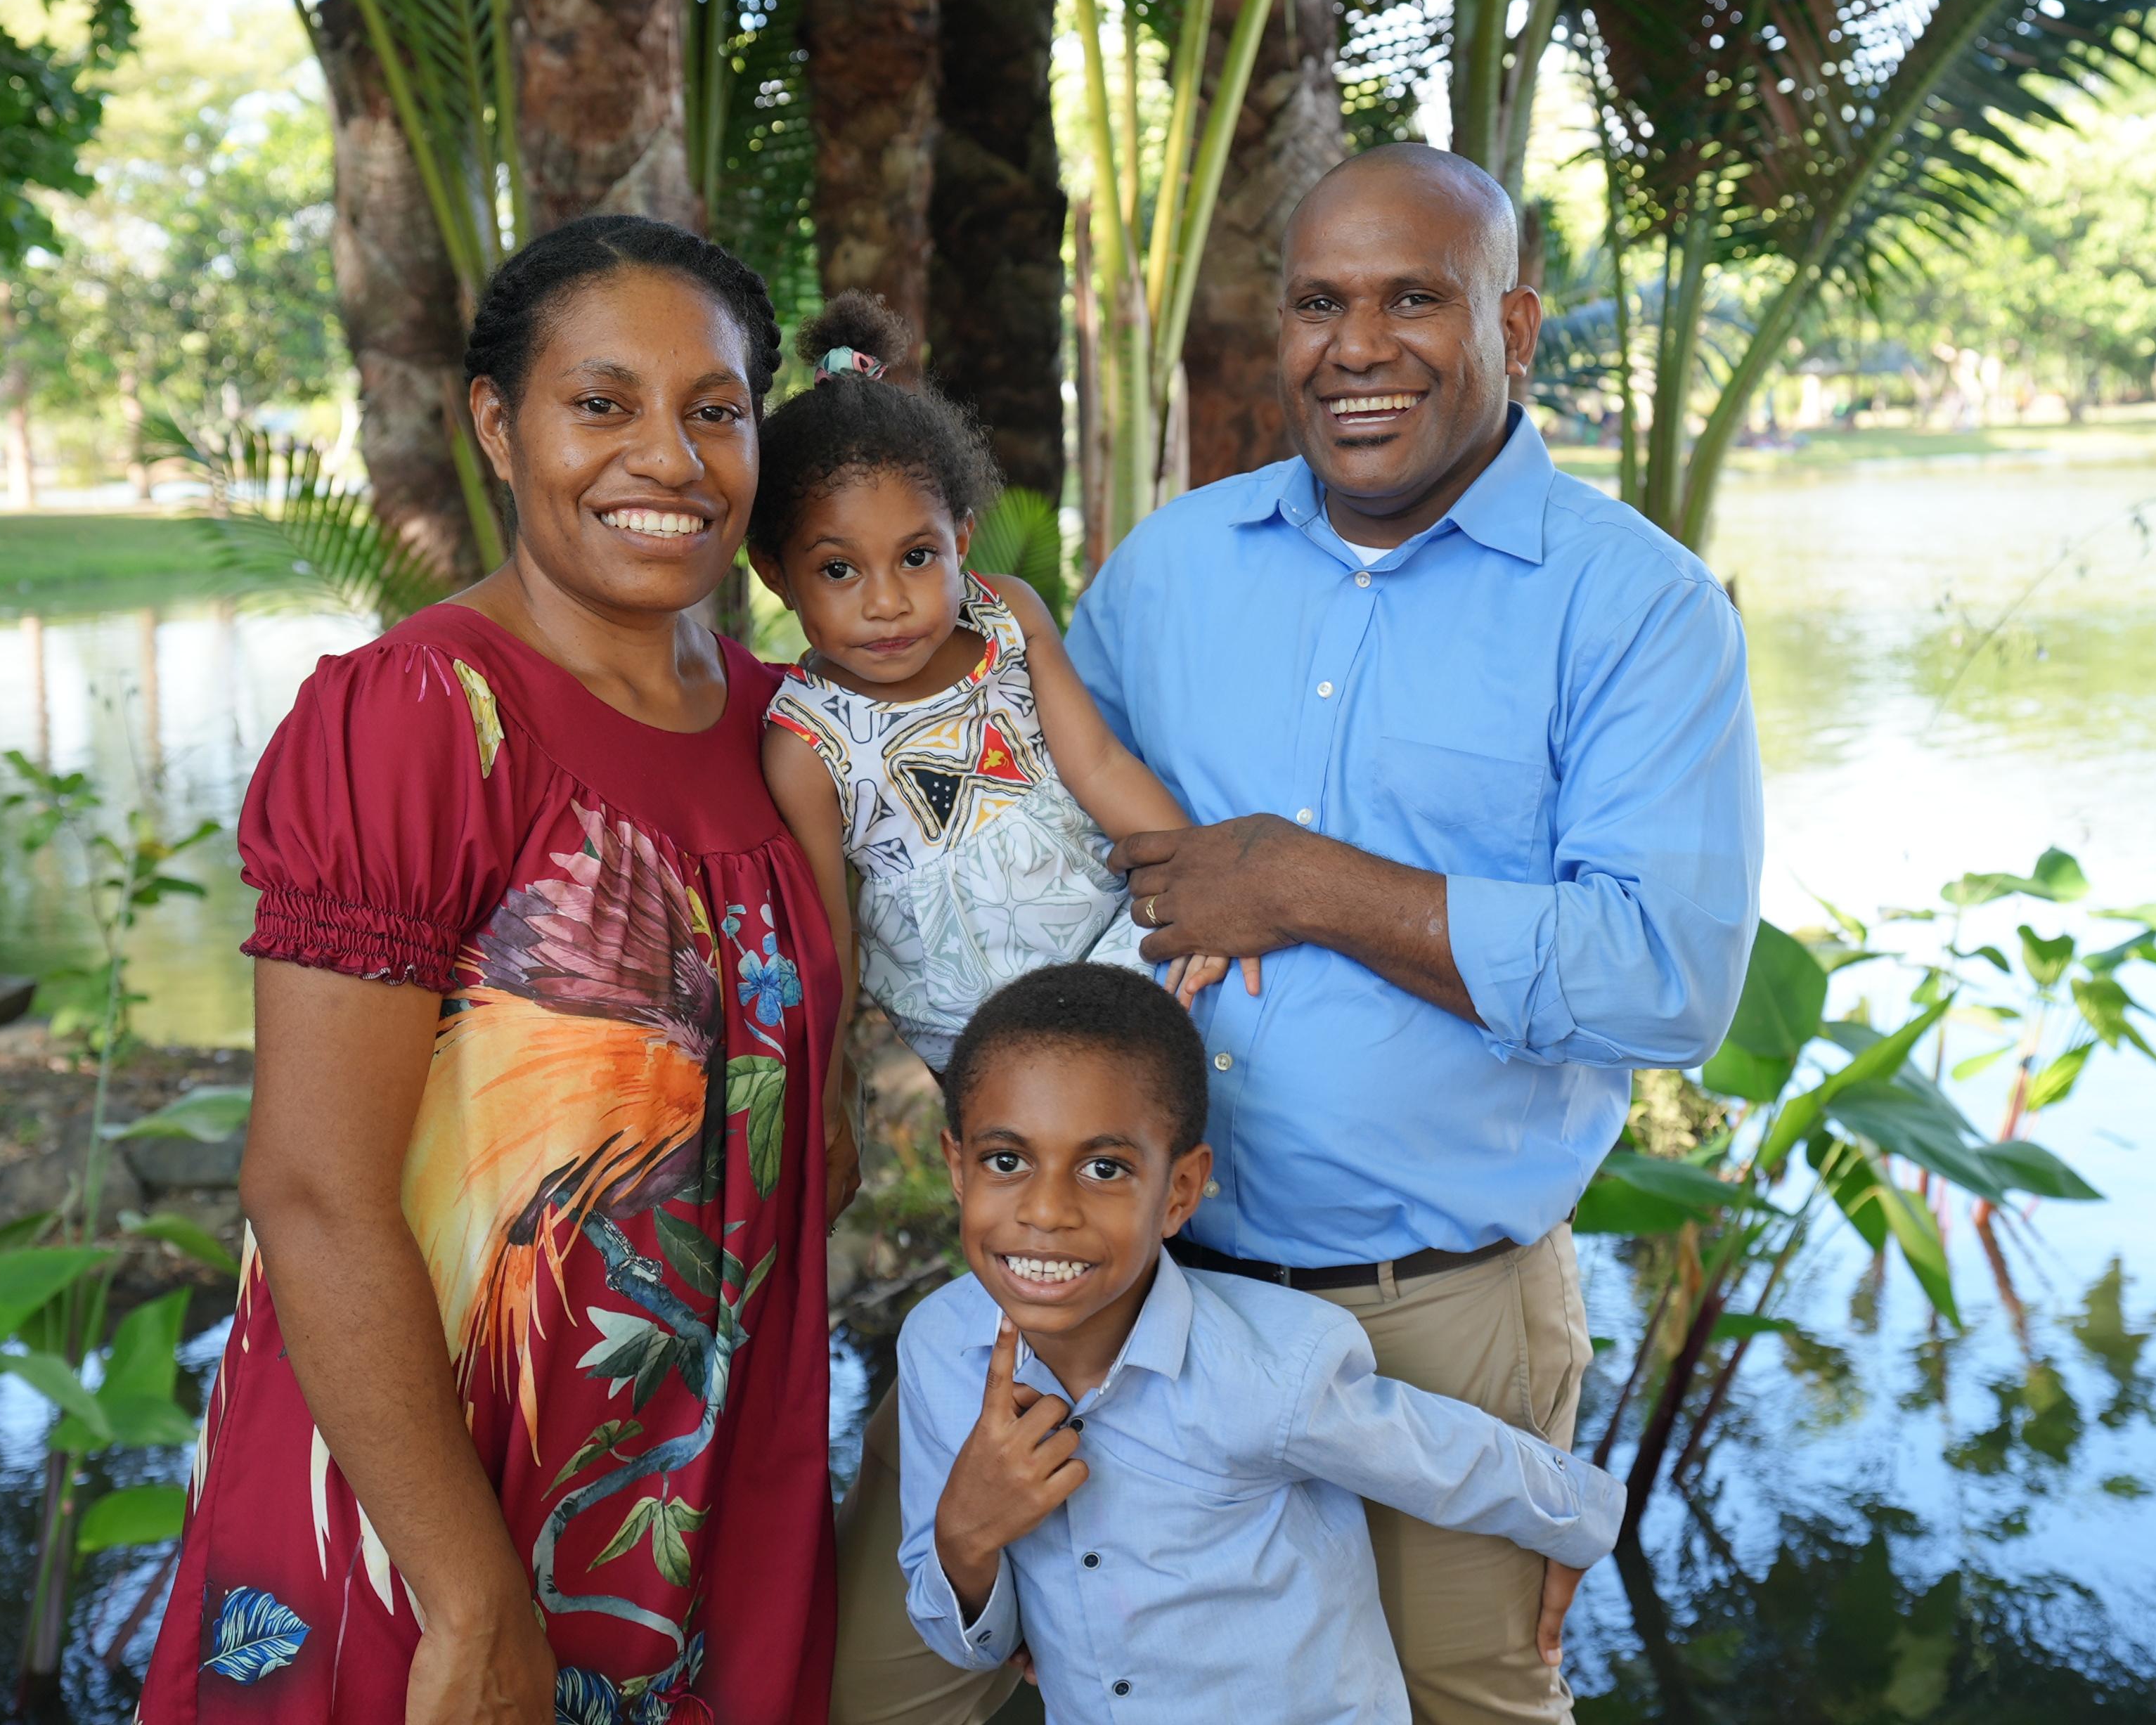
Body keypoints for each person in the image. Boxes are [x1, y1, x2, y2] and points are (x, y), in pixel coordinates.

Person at [830, 143, 1764, 1725]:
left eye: (1415, 300)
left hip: (1428, 1314)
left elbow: (1665, 977)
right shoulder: (1170, 569)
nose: (1357, 346)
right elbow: (1035, 845)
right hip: (1114, 1277)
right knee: (895, 1687)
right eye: (1321, 303)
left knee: (1454, 1706)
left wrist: (1310, 882)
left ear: (1514, 326)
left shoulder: (1637, 608)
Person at [141, 217, 850, 1725]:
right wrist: (469, 1597)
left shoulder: (794, 730)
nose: (668, 458)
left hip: (706, 1491)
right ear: (495, 424)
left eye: (714, 410)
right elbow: (310, 1187)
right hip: (437, 1514)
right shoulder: (422, 717)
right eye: (601, 403)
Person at [894, 964, 1622, 1725]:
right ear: (957, 1167)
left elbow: (1448, 1457)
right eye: (1006, 1161)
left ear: (1180, 1192)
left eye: (1104, 1168)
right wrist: (965, 1538)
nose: (1046, 1211)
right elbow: (969, 1642)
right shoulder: (939, 1351)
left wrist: (1577, 1525)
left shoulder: (1270, 1372)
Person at [752, 291, 1253, 1071]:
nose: (886, 602)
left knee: (1172, 1071)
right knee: (1044, 1131)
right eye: (839, 570)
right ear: (776, 576)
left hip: (1110, 936)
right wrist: (828, 1091)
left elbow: (1098, 765)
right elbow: (829, 937)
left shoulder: (1006, 619)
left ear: (961, 541)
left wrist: (1202, 891)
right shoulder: (804, 743)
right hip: (971, 1020)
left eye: (917, 557)